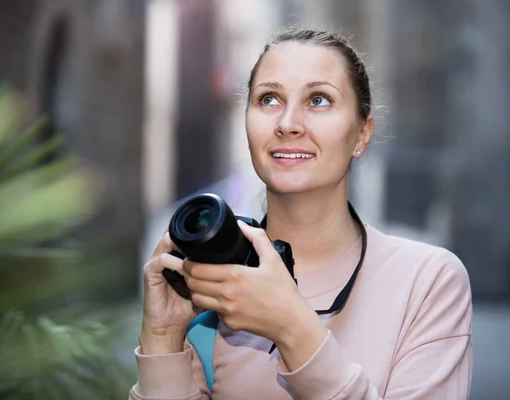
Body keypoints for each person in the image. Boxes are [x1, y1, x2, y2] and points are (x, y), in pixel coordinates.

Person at [129, 27, 473, 400]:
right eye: (269, 99)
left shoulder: (427, 281)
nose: (288, 123)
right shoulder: (214, 284)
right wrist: (163, 338)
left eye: (319, 100)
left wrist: (292, 328)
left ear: (362, 133)